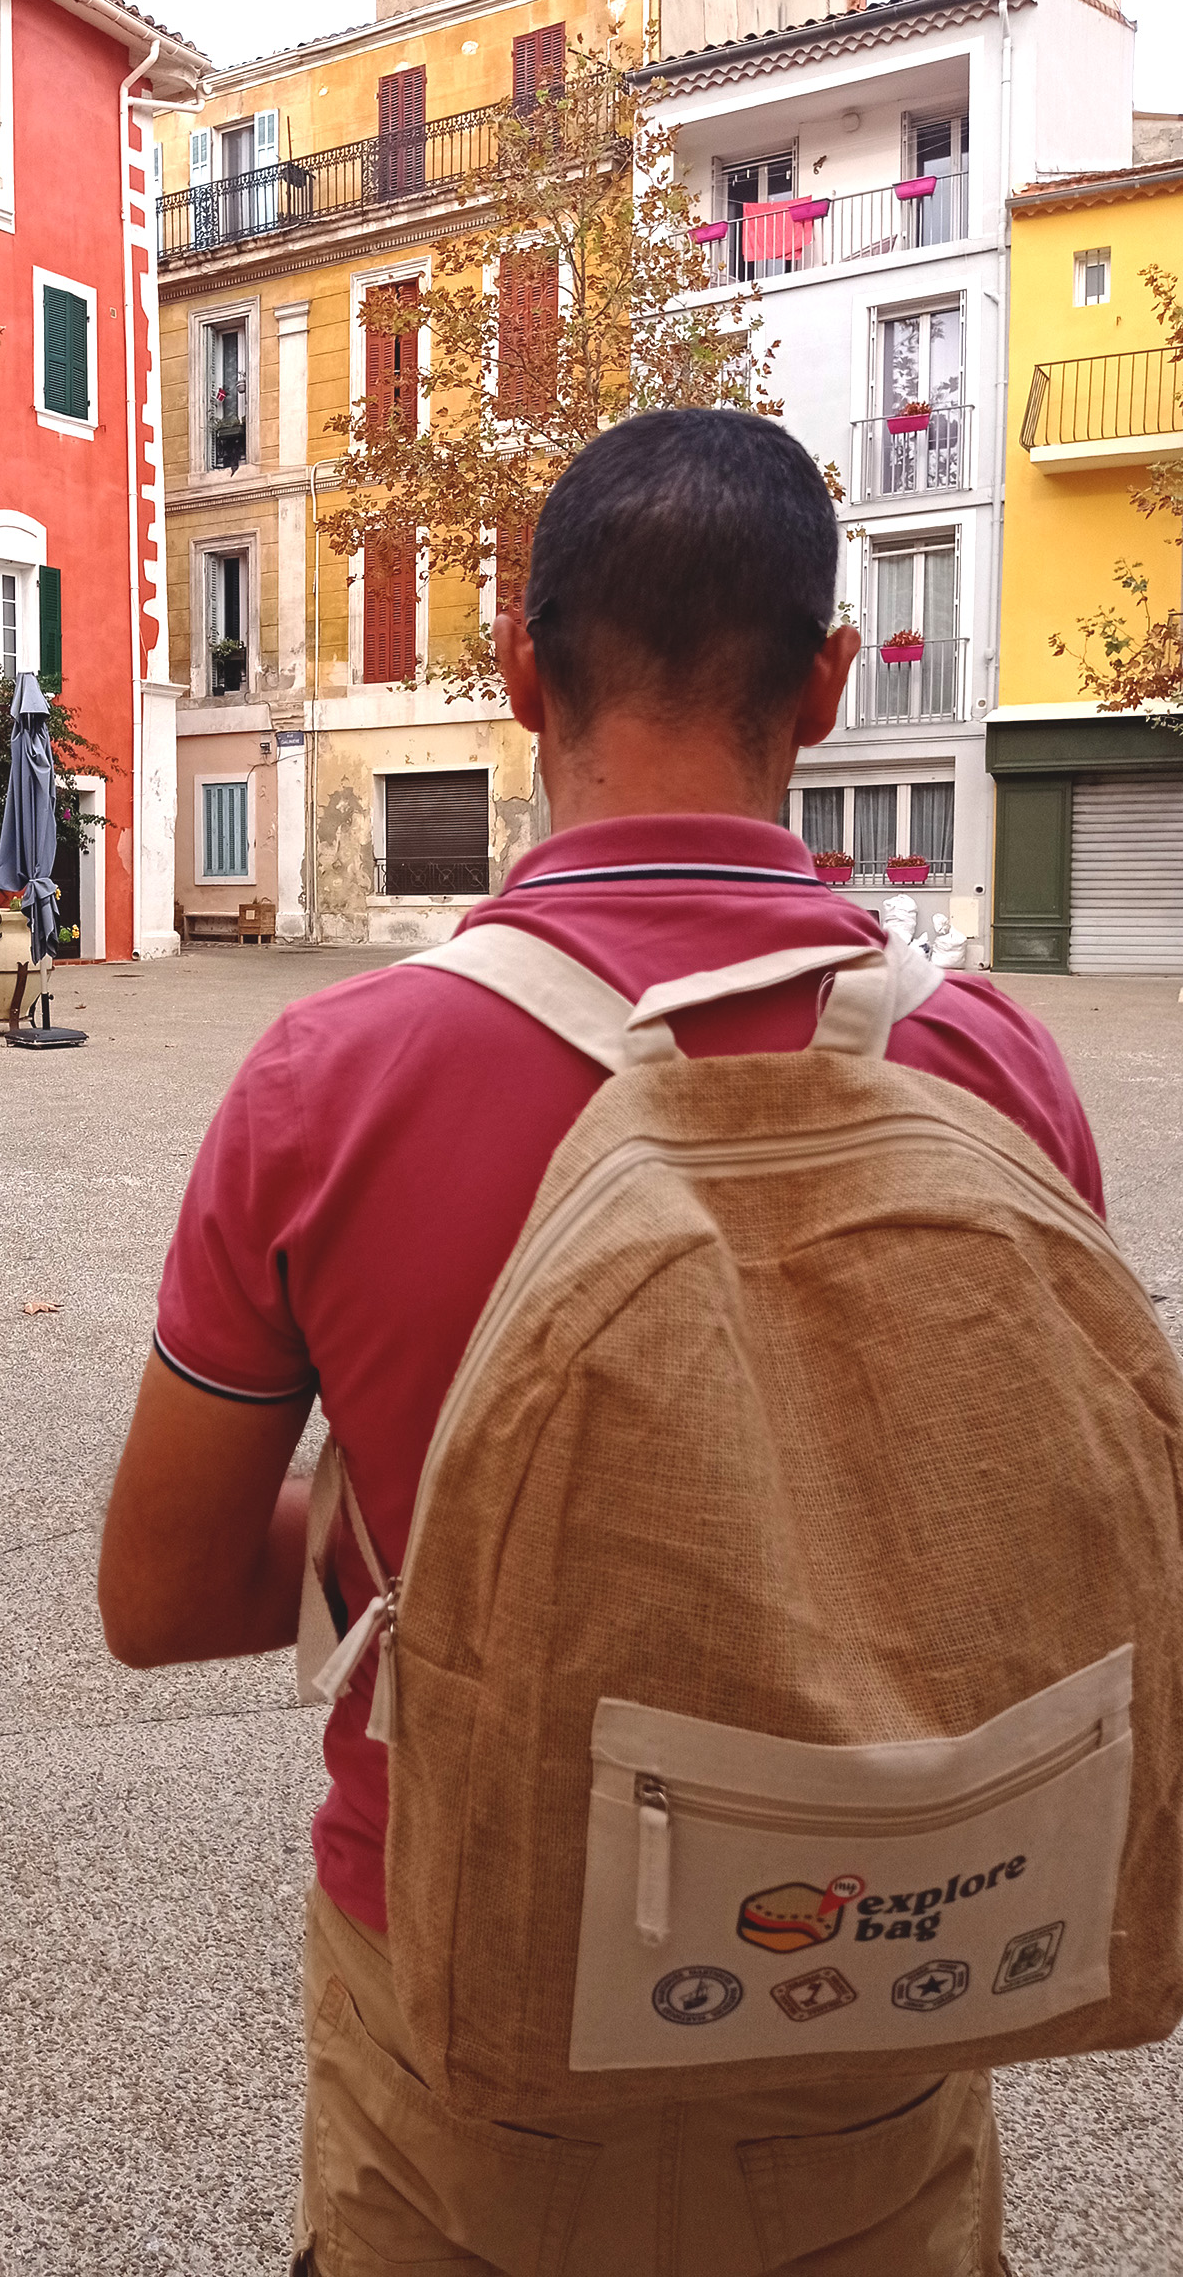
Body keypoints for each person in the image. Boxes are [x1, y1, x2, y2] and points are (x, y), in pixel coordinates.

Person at [97, 409, 1098, 2275]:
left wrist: (436, 1514)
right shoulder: (994, 1075)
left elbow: (158, 1591)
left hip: (473, 1994)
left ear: (519, 670)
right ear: (827, 680)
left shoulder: (336, 1081)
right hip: (869, 1977)